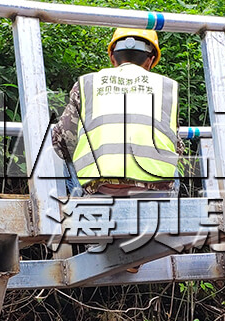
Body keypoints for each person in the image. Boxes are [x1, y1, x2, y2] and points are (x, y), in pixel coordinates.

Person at [51, 28, 183, 197]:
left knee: (70, 155)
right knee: (172, 164)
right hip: (154, 190)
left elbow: (61, 142)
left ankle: (81, 208)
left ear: (113, 57)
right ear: (150, 61)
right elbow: (177, 148)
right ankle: (168, 211)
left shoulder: (87, 84)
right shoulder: (167, 87)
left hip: (101, 189)